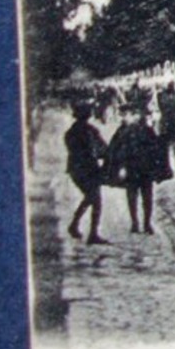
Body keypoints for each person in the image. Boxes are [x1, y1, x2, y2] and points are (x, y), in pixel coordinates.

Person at [106, 103, 169, 234]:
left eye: (127, 115)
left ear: (136, 115)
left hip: (145, 169)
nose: (124, 118)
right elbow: (115, 151)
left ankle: (147, 223)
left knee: (147, 197)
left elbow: (156, 148)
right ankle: (135, 223)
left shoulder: (147, 130)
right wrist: (121, 167)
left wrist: (156, 167)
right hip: (131, 169)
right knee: (132, 197)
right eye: (123, 115)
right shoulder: (121, 131)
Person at [64, 100, 108, 244]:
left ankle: (75, 225)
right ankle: (91, 233)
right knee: (95, 199)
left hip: (75, 169)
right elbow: (100, 149)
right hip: (88, 169)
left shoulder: (71, 132)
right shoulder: (90, 131)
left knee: (91, 198)